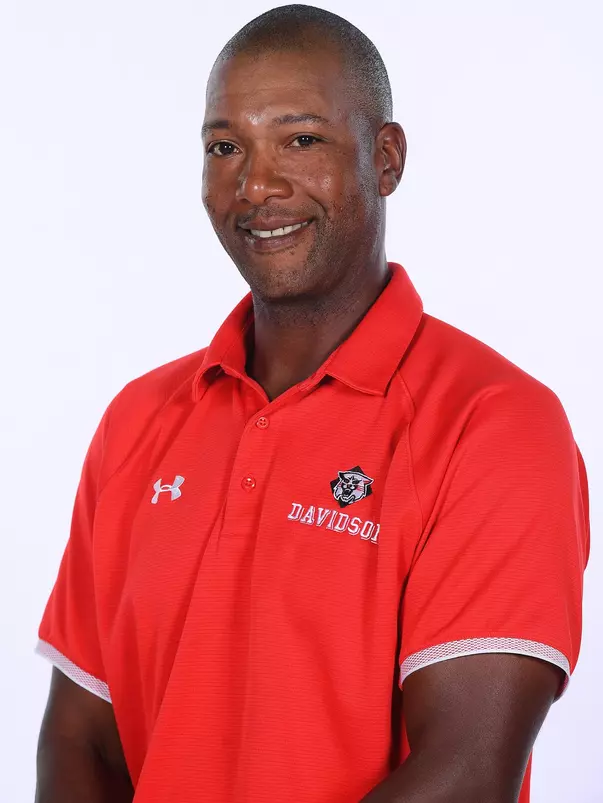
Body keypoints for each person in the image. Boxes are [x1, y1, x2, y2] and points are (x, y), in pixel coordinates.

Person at [34, 5, 590, 803]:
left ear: (385, 157)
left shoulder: (496, 422)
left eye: (301, 140)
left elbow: (466, 773)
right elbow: (81, 739)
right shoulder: (140, 419)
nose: (255, 185)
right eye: (225, 147)